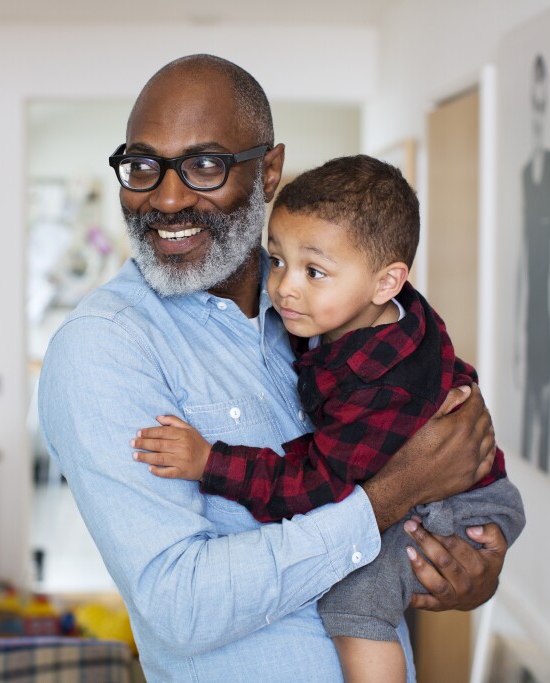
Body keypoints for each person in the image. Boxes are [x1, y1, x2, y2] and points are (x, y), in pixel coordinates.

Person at [37, 54, 507, 682]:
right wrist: (394, 494)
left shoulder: (331, 312)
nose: (168, 197)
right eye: (144, 165)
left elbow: (447, 458)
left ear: (270, 172)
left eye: (205, 165)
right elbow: (180, 605)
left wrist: (463, 566)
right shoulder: (103, 348)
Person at [130, 155, 526, 683]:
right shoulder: (366, 313)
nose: (285, 287)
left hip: (460, 498)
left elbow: (316, 484)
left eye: (314, 271)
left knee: (355, 602)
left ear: (386, 282)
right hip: (453, 483)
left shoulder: (380, 386)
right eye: (277, 260)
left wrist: (210, 461)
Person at [515, 53, 550, 473]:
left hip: (547, 317)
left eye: (541, 103)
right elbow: (521, 261)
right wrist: (516, 337)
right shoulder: (523, 171)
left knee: (546, 413)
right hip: (529, 315)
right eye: (531, 104)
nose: (536, 115)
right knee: (531, 409)